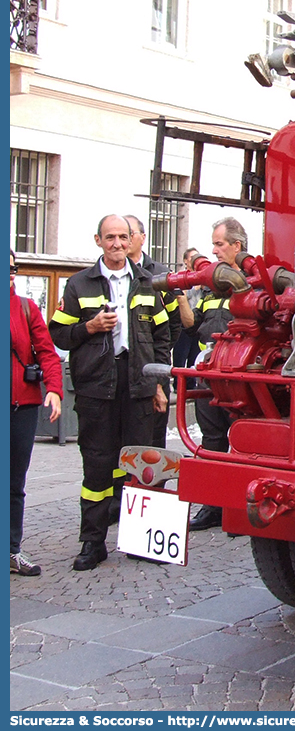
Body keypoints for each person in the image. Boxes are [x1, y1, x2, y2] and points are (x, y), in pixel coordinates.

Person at [48, 214, 171, 570]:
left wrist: (160, 384)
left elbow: (163, 339)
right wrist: (89, 326)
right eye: (110, 237)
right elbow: (58, 335)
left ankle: (144, 540)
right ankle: (93, 543)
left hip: (139, 383)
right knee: (98, 466)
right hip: (97, 386)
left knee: (144, 464)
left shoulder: (149, 283)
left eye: (123, 236)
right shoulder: (78, 285)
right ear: (98, 241)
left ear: (132, 239)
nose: (117, 243)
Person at [177, 218, 247, 531]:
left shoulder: (252, 281)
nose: (214, 250)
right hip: (209, 375)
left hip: (240, 380)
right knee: (211, 440)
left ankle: (239, 508)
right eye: (214, 244)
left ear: (237, 246)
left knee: (243, 442)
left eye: (219, 244)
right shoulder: (209, 287)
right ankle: (213, 507)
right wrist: (181, 297)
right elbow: (195, 327)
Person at [10, 250, 64, 576]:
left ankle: (11, 550)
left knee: (14, 482)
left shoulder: (26, 308)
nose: (9, 274)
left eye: (12, 268)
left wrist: (55, 390)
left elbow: (47, 353)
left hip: (21, 406)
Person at [121, 215, 182, 506]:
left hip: (151, 371)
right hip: (120, 375)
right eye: (119, 235)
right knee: (119, 443)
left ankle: (152, 502)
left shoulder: (158, 274)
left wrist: (155, 356)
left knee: (152, 441)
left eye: (129, 234)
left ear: (141, 237)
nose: (124, 240)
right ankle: (117, 504)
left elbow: (171, 326)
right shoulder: (114, 275)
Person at [171, 247, 202, 390]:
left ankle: (190, 385)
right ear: (185, 261)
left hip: (198, 323)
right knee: (181, 354)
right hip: (184, 322)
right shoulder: (182, 277)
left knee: (194, 355)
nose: (195, 260)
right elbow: (181, 296)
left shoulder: (202, 278)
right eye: (192, 258)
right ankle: (178, 385)